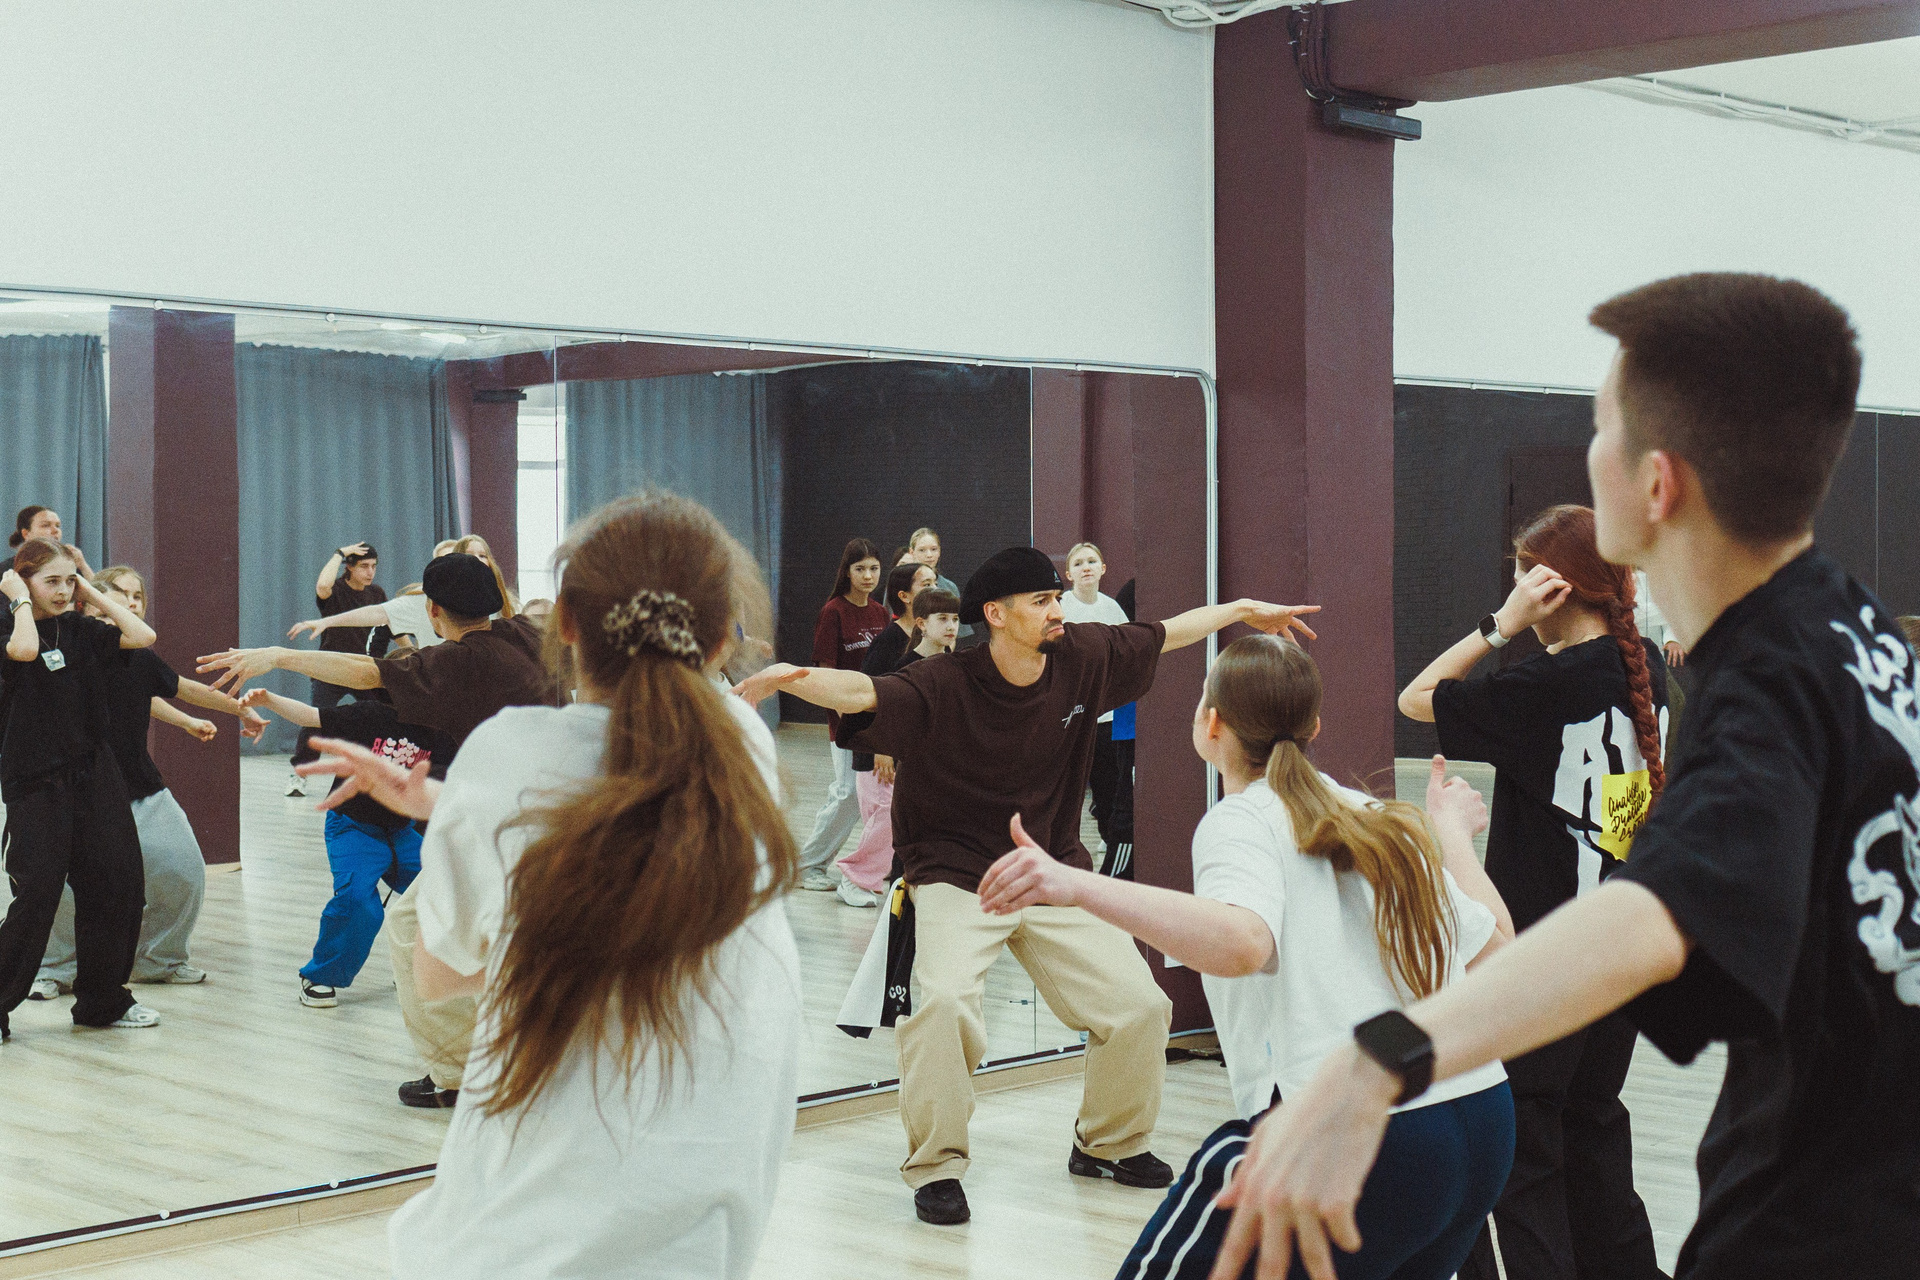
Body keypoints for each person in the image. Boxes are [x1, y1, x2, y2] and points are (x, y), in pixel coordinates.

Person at [1207, 274, 1920, 1280]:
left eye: (1600, 431)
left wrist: (1374, 1064)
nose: (1590, 455)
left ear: (1657, 484)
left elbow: (1648, 919)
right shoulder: (1855, 628)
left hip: (1825, 1227)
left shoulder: (1772, 682)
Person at [733, 544, 1319, 1226]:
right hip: (957, 873)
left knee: (1140, 1008)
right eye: (1041, 601)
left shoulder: (1082, 656)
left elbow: (1165, 634)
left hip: (1052, 872)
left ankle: (1107, 1144)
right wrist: (787, 677)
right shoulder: (944, 681)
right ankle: (937, 1166)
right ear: (996, 614)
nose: (1055, 610)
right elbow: (861, 692)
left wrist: (1241, 610)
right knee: (944, 1006)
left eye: (1055, 598)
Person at [307, 492, 802, 1279]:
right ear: (720, 637)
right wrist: (452, 803)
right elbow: (616, 802)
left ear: (563, 622)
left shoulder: (513, 754)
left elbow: (444, 976)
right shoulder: (742, 744)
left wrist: (468, 810)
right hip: (709, 1209)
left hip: (541, 1218)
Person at [979, 635, 1516, 1280]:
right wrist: (1451, 834)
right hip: (1481, 1122)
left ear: (1210, 724)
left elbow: (1243, 943)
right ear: (1315, 728)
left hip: (1360, 1134)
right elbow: (1498, 951)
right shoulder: (1378, 815)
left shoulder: (1242, 820)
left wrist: (1074, 885)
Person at [1398, 505, 1668, 1280]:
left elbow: (1418, 697)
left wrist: (1501, 625)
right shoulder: (1643, 664)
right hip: (1621, 946)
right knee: (1592, 1123)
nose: (1512, 587)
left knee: (1525, 1145)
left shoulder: (1543, 685)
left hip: (1545, 957)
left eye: (1520, 576)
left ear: (1552, 588)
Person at [199, 551, 561, 1107]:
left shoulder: (457, 663)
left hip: (503, 827)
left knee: (415, 925)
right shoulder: (527, 635)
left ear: (433, 611)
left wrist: (278, 656)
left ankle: (456, 1077)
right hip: (553, 814)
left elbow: (367, 671)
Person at [28, 567, 268, 1000]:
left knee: (182, 870)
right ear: (88, 604)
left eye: (137, 597)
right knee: (62, 886)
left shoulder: (137, 656)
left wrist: (234, 711)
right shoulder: (67, 650)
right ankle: (55, 968)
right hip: (75, 789)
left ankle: (158, 960)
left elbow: (170, 689)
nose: (131, 604)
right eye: (120, 596)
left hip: (138, 784)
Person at [0, 539, 159, 1039]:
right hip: (34, 781)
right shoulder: (11, 629)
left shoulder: (80, 628)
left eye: (68, 581)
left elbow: (142, 634)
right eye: (51, 581)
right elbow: (25, 651)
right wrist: (19, 600)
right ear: (22, 581)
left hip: (94, 773)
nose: (63, 591)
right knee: (37, 894)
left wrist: (89, 589)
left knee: (118, 882)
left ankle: (102, 1001)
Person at [242, 684, 433, 1007]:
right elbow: (311, 716)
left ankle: (415, 965)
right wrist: (269, 699)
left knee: (443, 890)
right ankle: (320, 977)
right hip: (354, 827)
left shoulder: (439, 728)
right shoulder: (370, 715)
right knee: (357, 902)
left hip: (403, 831)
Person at [837, 568, 942, 907]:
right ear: (905, 597)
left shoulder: (927, 639)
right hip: (879, 750)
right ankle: (854, 878)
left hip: (905, 749)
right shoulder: (889, 641)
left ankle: (889, 877)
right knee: (885, 816)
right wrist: (882, 747)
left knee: (898, 818)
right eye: (926, 584)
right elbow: (868, 695)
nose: (934, 587)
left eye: (935, 581)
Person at [794, 538, 888, 892]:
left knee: (871, 797)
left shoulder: (880, 613)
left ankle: (877, 865)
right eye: (860, 569)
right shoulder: (833, 612)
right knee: (847, 794)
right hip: (847, 723)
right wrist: (845, 715)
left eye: (874, 569)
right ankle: (807, 865)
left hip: (876, 721)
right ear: (847, 572)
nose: (868, 576)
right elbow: (825, 671)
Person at [289, 537, 518, 653]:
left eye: (482, 555)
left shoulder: (503, 604)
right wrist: (326, 622)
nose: (476, 560)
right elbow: (379, 614)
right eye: (469, 555)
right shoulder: (422, 601)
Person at [1061, 542, 1137, 877]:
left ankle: (1110, 845)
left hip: (1107, 718)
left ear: (1103, 569)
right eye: (1079, 563)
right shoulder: (1061, 608)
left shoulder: (1113, 609)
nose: (1086, 567)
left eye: (1092, 561)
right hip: (1071, 718)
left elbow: (1126, 653)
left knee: (1108, 791)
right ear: (1069, 573)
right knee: (1068, 792)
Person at [289, 540, 388, 793]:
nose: (370, 572)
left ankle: (377, 773)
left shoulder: (377, 594)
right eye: (364, 566)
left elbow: (390, 625)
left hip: (361, 669)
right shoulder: (336, 590)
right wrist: (339, 553)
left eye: (374, 566)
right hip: (329, 669)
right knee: (315, 720)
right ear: (349, 567)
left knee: (383, 716)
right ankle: (300, 774)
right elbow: (322, 586)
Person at [909, 526, 970, 640]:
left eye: (933, 549)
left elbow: (958, 630)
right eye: (922, 550)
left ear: (939, 551)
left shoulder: (949, 587)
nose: (929, 555)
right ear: (912, 552)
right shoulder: (902, 583)